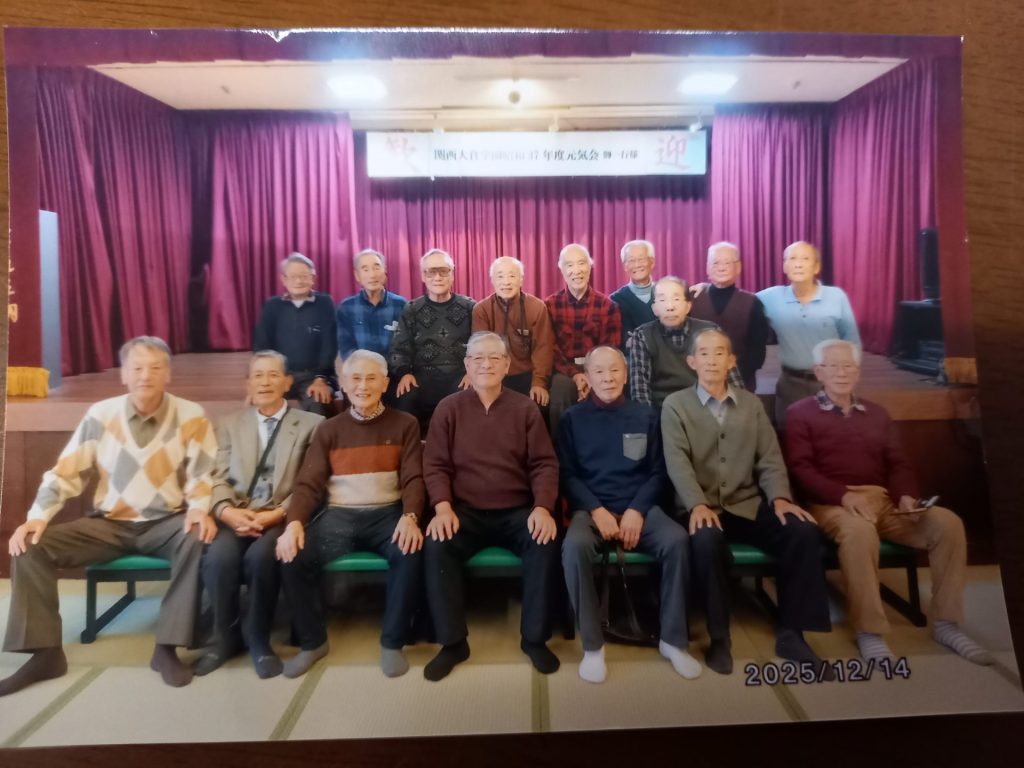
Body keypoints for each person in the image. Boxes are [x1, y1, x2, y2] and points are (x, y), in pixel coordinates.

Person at [1, 336, 218, 695]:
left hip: (166, 522)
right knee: (30, 545)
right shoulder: (100, 415)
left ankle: (166, 648)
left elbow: (203, 472)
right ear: (123, 375)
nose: (145, 375)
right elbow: (66, 473)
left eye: (155, 367)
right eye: (137, 368)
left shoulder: (191, 414)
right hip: (108, 524)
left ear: (168, 374)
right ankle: (45, 654)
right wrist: (38, 516)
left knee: (198, 536)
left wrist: (199, 508)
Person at [785, 339, 992, 665]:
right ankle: (870, 631)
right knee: (859, 533)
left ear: (858, 371)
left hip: (882, 500)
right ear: (818, 372)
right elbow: (800, 469)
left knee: (947, 524)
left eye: (848, 366)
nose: (842, 372)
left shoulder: (877, 414)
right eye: (833, 366)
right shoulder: (799, 413)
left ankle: (946, 623)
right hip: (831, 503)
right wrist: (843, 495)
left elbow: (898, 463)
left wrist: (906, 495)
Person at [661, 328, 833, 677]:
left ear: (731, 361)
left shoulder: (751, 404)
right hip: (701, 507)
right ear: (692, 361)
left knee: (800, 531)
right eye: (704, 354)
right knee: (706, 540)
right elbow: (677, 463)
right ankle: (719, 636)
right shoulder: (675, 405)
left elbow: (769, 458)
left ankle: (792, 632)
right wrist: (697, 505)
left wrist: (780, 498)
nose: (712, 360)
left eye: (719, 353)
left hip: (746, 504)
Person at [276, 350, 425, 679]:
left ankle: (392, 642)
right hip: (339, 517)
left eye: (371, 378)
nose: (363, 386)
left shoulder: (406, 424)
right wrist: (294, 524)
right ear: (343, 383)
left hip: (387, 514)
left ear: (385, 384)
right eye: (355, 378)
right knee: (294, 554)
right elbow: (308, 483)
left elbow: (414, 478)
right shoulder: (328, 430)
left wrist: (411, 516)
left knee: (409, 550)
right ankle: (313, 642)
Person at [422, 332, 560, 681]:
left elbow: (544, 464)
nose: (486, 364)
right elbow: (435, 464)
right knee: (437, 544)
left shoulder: (525, 408)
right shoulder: (449, 408)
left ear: (507, 365)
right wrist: (442, 507)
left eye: (494, 358)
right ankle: (453, 643)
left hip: (516, 511)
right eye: (478, 358)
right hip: (464, 512)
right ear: (467, 364)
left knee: (544, 540)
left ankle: (534, 638)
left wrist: (542, 508)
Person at [559, 346, 700, 683]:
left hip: (640, 506)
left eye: (614, 370)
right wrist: (596, 510)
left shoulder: (647, 415)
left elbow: (659, 472)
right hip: (592, 509)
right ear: (587, 377)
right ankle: (593, 646)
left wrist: (637, 510)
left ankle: (673, 641)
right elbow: (567, 474)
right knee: (574, 547)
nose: (607, 378)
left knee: (677, 541)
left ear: (625, 374)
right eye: (599, 371)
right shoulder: (572, 419)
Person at [197, 350, 324, 679]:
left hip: (281, 517)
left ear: (288, 382)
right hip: (237, 515)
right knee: (219, 559)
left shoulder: (311, 425)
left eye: (272, 375)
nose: (265, 382)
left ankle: (258, 640)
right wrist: (226, 511)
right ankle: (225, 638)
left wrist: (278, 514)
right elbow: (216, 477)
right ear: (248, 384)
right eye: (257, 375)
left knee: (261, 558)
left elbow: (312, 483)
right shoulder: (229, 424)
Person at [756, 241, 861, 427]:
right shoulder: (770, 297)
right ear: (785, 266)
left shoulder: (836, 296)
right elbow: (739, 300)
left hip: (829, 384)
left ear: (816, 267)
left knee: (832, 436)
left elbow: (852, 341)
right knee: (790, 436)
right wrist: (704, 288)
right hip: (791, 384)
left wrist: (845, 379)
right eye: (792, 258)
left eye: (805, 259)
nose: (798, 264)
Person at [389, 248, 476, 434]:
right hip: (422, 376)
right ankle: (414, 450)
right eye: (431, 272)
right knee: (406, 397)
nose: (437, 277)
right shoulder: (412, 308)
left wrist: (473, 372)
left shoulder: (470, 306)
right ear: (423, 276)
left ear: (452, 274)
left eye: (443, 271)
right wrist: (404, 373)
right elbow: (399, 348)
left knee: (468, 398)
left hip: (460, 375)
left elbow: (480, 344)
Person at [627, 276, 742, 410]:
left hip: (707, 410)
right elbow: (640, 390)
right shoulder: (642, 335)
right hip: (663, 412)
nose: (670, 307)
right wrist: (650, 420)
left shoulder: (710, 331)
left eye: (676, 299)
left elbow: (733, 381)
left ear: (688, 306)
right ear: (654, 308)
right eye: (662, 300)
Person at [545, 244, 622, 434]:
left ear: (590, 266)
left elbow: (609, 349)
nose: (576, 271)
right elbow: (550, 348)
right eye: (569, 265)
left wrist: (590, 375)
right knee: (560, 390)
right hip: (564, 369)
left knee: (606, 389)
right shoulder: (550, 305)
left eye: (581, 263)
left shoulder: (608, 306)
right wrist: (575, 374)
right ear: (561, 269)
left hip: (598, 368)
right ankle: (561, 449)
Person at [253, 252, 338, 417]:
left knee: (319, 404)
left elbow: (329, 344)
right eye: (293, 276)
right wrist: (261, 379)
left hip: (313, 375)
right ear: (283, 279)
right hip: (279, 374)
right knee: (261, 404)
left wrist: (320, 378)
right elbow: (261, 346)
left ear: (313, 278)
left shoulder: (324, 303)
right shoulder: (272, 306)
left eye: (304, 276)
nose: (298, 281)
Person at [471, 255, 554, 405]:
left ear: (521, 280)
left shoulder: (536, 307)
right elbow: (481, 351)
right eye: (500, 276)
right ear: (492, 280)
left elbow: (543, 348)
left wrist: (539, 383)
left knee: (539, 404)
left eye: (512, 276)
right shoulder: (482, 310)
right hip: (494, 374)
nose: (506, 282)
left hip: (528, 375)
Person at [688, 242, 769, 392]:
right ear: (707, 268)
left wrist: (730, 375)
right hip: (695, 383)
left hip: (740, 383)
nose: (721, 267)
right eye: (715, 263)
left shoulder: (752, 302)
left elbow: (757, 353)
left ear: (738, 267)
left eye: (727, 263)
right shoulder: (692, 298)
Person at [336, 249, 408, 360]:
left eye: (377, 268)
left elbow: (405, 346)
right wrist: (366, 366)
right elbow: (346, 347)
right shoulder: (346, 307)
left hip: (392, 369)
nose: (372, 275)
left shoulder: (401, 305)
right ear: (357, 275)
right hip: (360, 368)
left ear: (385, 271)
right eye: (365, 269)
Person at [610, 239, 657, 348]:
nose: (637, 265)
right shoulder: (615, 300)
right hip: (631, 356)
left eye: (641, 259)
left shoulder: (665, 293)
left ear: (652, 262)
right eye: (631, 260)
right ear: (625, 266)